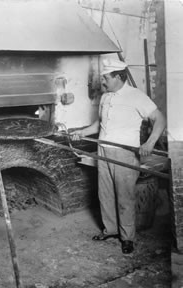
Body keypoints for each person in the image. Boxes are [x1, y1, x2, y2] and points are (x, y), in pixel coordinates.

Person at [71, 59, 166, 254]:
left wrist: (149, 143)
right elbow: (98, 126)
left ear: (118, 76)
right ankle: (111, 229)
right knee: (105, 194)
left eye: (106, 78)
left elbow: (160, 118)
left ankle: (127, 237)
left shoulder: (136, 96)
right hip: (103, 150)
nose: (103, 82)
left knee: (125, 197)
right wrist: (81, 132)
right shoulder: (106, 97)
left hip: (125, 153)